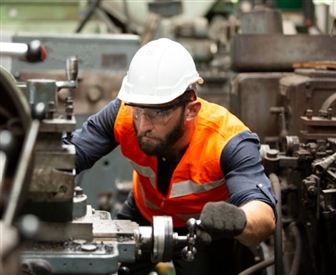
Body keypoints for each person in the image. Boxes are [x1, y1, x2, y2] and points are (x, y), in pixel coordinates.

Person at [64, 38, 276, 275]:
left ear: (191, 110)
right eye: (138, 110)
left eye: (158, 112)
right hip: (142, 215)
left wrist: (237, 220)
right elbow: (69, 154)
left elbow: (264, 216)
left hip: (205, 230)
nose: (143, 125)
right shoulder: (124, 114)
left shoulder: (228, 141)